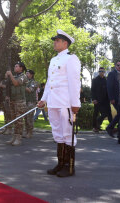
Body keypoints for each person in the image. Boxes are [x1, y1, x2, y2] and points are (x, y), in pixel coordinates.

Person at [38, 29, 81, 178]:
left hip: (65, 103)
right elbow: (50, 82)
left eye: (57, 40)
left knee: (67, 133)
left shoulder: (71, 59)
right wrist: (43, 99)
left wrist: (76, 104)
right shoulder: (54, 60)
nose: (55, 43)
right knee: (57, 133)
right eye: (55, 40)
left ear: (65, 43)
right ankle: (60, 163)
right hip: (54, 102)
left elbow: (75, 83)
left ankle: (69, 167)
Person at [5, 62, 28, 146]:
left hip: (20, 101)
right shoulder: (15, 76)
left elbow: (16, 83)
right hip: (13, 100)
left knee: (19, 120)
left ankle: (18, 138)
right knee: (14, 119)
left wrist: (10, 75)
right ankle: (14, 136)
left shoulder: (23, 76)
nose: (15, 67)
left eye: (16, 66)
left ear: (21, 68)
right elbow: (9, 84)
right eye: (14, 66)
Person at [91, 67, 112, 132]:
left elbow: (109, 90)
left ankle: (111, 127)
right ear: (98, 72)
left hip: (106, 100)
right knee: (96, 113)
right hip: (97, 100)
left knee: (108, 113)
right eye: (100, 71)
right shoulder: (95, 80)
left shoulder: (106, 79)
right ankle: (95, 127)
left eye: (103, 71)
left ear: (104, 72)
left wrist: (110, 98)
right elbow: (92, 90)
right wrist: (94, 99)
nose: (101, 72)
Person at [24, 69, 38, 138]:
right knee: (26, 118)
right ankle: (27, 131)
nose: (26, 74)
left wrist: (23, 85)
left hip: (31, 102)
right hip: (25, 102)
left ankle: (30, 132)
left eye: (28, 73)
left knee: (30, 118)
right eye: (26, 73)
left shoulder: (34, 82)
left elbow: (30, 90)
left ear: (31, 75)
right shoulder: (26, 82)